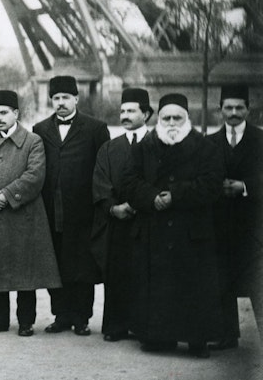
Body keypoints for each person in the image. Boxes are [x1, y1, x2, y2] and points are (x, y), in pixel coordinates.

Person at [124, 93, 223, 358]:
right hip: (154, 231)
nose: (171, 123)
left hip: (191, 234)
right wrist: (151, 197)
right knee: (158, 286)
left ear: (187, 118)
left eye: (177, 117)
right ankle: (158, 337)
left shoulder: (205, 148)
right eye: (166, 117)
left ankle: (196, 340)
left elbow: (212, 185)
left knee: (194, 287)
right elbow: (129, 182)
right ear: (158, 119)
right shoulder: (144, 147)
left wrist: (175, 195)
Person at [0, 90, 60, 336]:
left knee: (25, 273)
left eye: (4, 112)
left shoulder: (32, 141)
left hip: (23, 217)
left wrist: (5, 195)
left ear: (16, 113)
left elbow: (35, 175)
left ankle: (26, 321)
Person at [33, 75, 109, 336]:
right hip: (51, 208)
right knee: (54, 263)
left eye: (66, 97)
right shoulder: (40, 129)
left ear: (77, 98)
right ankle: (61, 315)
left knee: (82, 266)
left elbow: (103, 168)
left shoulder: (96, 128)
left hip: (83, 210)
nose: (61, 103)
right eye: (56, 98)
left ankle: (81, 317)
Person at [91, 88, 152, 342]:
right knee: (116, 274)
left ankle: (143, 326)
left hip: (148, 221)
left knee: (145, 274)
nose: (125, 115)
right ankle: (116, 325)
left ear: (146, 114)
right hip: (117, 222)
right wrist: (112, 207)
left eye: (132, 111)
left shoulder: (157, 145)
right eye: (123, 111)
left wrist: (141, 205)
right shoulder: (109, 148)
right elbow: (100, 181)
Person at [207, 84, 263, 349]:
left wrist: (245, 186)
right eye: (228, 107)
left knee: (258, 284)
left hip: (255, 225)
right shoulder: (209, 143)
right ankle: (226, 335)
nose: (233, 112)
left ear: (248, 110)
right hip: (221, 225)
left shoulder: (261, 140)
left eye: (239, 107)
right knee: (222, 280)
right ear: (219, 110)